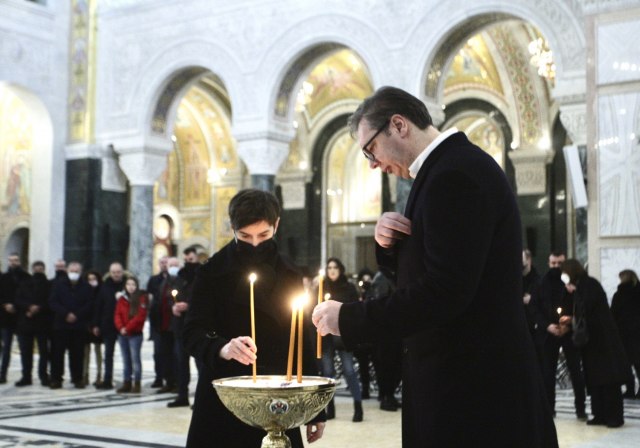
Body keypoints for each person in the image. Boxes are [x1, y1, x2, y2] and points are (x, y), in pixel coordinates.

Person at [312, 86, 557, 447]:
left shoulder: (453, 176)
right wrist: (389, 247)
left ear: (399, 125)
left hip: (474, 396)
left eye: (370, 149)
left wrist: (349, 317)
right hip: (466, 385)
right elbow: (435, 271)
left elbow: (444, 292)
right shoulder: (445, 170)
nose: (372, 164)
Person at [183, 189, 325, 448]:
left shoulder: (289, 272)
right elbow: (192, 332)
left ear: (276, 225)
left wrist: (315, 409)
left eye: (264, 235)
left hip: (278, 396)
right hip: (225, 398)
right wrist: (222, 347)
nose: (256, 244)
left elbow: (301, 339)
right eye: (245, 236)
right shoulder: (212, 273)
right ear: (233, 228)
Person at [560, 259, 629, 427]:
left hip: (603, 340)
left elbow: (589, 311)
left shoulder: (589, 285)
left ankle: (614, 416)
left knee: (608, 380)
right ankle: (600, 414)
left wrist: (573, 320)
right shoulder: (583, 287)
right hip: (593, 342)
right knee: (595, 379)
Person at [532, 251, 587, 419]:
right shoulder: (541, 283)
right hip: (549, 333)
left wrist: (569, 325)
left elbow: (580, 305)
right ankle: (549, 408)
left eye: (559, 263)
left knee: (575, 371)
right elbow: (534, 308)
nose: (556, 266)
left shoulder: (572, 283)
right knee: (548, 373)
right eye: (553, 263)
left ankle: (580, 408)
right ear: (549, 263)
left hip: (569, 333)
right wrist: (548, 326)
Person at [319, 258, 363, 422]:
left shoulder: (348, 287)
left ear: (340, 269)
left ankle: (358, 407)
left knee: (349, 370)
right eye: (329, 267)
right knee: (328, 373)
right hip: (326, 337)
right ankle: (330, 407)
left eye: (335, 267)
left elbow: (355, 310)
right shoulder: (322, 287)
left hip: (343, 335)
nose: (332, 270)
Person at [48, 261, 93, 389]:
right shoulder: (58, 284)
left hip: (78, 325)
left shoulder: (86, 286)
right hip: (61, 325)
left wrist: (77, 315)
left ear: (81, 272)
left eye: (76, 271)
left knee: (77, 354)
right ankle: (56, 379)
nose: (74, 273)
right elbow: (53, 302)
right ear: (67, 271)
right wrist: (66, 314)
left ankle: (77, 378)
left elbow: (89, 304)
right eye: (72, 271)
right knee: (57, 353)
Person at [366, 269, 402, 412]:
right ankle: (386, 397)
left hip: (393, 331)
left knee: (395, 366)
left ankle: (389, 396)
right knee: (387, 367)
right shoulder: (382, 278)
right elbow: (381, 304)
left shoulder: (392, 276)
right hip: (385, 333)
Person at [167, 247, 199, 407]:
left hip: (197, 327)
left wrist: (189, 306)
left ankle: (200, 399)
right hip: (180, 326)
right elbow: (171, 295)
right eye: (186, 260)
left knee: (200, 365)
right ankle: (182, 396)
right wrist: (173, 306)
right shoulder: (180, 276)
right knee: (181, 363)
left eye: (191, 260)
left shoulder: (202, 275)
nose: (188, 263)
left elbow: (204, 300)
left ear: (197, 258)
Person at [14, 260, 52, 387]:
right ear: (32, 269)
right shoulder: (25, 283)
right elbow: (18, 299)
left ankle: (43, 376)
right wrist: (29, 307)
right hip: (26, 321)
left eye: (40, 269)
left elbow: (51, 301)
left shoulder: (48, 284)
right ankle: (26, 376)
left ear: (44, 270)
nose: (38, 271)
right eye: (36, 269)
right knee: (26, 351)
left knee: (44, 352)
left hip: (43, 322)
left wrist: (38, 308)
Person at [93, 262, 125, 389]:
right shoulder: (104, 287)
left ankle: (129, 380)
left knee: (127, 354)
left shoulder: (128, 285)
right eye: (114, 272)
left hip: (125, 326)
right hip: (108, 325)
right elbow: (98, 306)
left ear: (122, 272)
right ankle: (107, 379)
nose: (116, 274)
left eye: (118, 272)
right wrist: (96, 324)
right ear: (110, 273)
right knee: (108, 354)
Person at [153, 257, 183, 394]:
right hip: (163, 325)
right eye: (171, 265)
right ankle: (168, 381)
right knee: (165, 355)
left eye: (176, 265)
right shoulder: (164, 282)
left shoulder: (182, 281)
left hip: (176, 325)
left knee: (177, 356)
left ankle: (178, 383)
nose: (173, 268)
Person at [0, 253, 31, 384]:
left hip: (21, 317)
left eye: (16, 260)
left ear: (19, 261)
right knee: (6, 348)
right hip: (5, 317)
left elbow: (29, 295)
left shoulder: (26, 277)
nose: (13, 262)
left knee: (24, 348)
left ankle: (26, 376)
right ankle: (3, 374)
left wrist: (17, 306)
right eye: (11, 260)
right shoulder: (3, 277)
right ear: (8, 262)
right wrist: (5, 305)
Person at [114, 276, 148, 393]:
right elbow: (117, 314)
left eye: (133, 284)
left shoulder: (141, 298)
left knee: (135, 359)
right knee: (126, 359)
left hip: (135, 334)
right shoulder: (122, 299)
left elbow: (140, 316)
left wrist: (127, 328)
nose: (131, 287)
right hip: (122, 334)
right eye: (128, 284)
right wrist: (120, 327)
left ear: (137, 286)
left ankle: (137, 383)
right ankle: (127, 382)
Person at [610, 269, 640, 399]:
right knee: (638, 363)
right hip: (637, 333)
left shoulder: (619, 294)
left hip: (623, 334)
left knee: (626, 364)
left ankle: (630, 389)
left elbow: (613, 314)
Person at [146, 256, 169, 388]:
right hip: (156, 321)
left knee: (170, 353)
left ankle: (170, 379)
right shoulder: (154, 280)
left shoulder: (174, 279)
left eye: (166, 262)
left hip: (169, 322)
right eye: (162, 262)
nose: (164, 265)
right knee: (158, 352)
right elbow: (149, 298)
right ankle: (158, 378)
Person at [83, 270, 103, 387]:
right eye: (89, 279)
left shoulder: (101, 291)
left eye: (94, 279)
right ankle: (84, 375)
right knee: (85, 352)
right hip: (86, 325)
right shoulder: (84, 291)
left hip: (97, 325)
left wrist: (97, 325)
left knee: (98, 350)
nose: (92, 281)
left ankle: (99, 375)